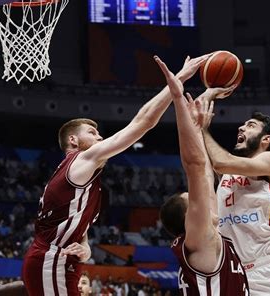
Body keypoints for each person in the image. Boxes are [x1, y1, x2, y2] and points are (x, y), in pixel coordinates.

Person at [22, 54, 210, 296]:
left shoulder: (81, 182)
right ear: (73, 140)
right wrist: (179, 79)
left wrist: (86, 251)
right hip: (51, 261)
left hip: (57, 261)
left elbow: (82, 237)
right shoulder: (82, 159)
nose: (100, 138)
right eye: (92, 132)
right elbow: (143, 122)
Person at [156, 57, 249, 295]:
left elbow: (206, 178)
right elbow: (195, 166)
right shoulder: (200, 241)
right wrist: (178, 100)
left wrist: (199, 129)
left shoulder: (209, 238)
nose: (203, 199)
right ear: (190, 218)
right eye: (194, 200)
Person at [199, 100, 270, 294]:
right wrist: (195, 121)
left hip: (268, 271)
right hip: (231, 273)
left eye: (251, 125)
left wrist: (204, 129)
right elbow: (200, 161)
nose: (241, 127)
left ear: (266, 139)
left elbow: (220, 162)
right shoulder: (227, 174)